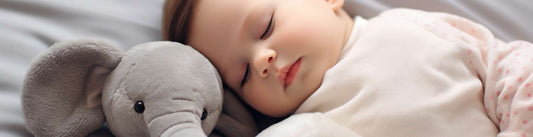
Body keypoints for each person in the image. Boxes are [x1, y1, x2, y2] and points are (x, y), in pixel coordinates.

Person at [162, 0, 533, 136]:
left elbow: (509, 66)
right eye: (241, 76)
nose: (261, 61)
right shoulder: (306, 125)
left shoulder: (408, 26)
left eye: (265, 28)